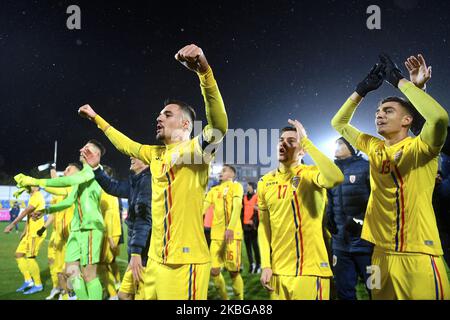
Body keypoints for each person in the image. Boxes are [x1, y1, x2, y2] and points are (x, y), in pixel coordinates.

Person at [78, 44, 227, 300]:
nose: (159, 118)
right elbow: (127, 145)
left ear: (185, 124)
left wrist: (205, 73)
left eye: (167, 114)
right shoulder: (155, 154)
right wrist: (96, 120)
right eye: (159, 114)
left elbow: (219, 125)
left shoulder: (196, 151)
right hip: (156, 259)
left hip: (185, 262)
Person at [331, 53, 450, 299]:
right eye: (378, 111)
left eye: (388, 110)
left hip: (418, 256)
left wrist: (399, 81)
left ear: (407, 120)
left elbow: (438, 118)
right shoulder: (374, 147)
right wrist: (361, 90)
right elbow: (339, 123)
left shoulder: (421, 148)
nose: (379, 114)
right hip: (379, 257)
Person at [258, 120, 344, 300]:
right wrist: (266, 264)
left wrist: (307, 141)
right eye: (281, 140)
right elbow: (264, 227)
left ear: (302, 150)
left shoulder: (310, 173)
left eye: (291, 141)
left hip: (309, 271)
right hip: (278, 272)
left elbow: (335, 178)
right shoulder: (265, 182)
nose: (283, 144)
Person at [14, 140, 106, 300]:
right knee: (71, 272)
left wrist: (37, 181)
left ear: (96, 155)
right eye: (82, 147)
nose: (82, 149)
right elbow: (69, 200)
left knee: (89, 274)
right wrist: (47, 210)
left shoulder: (93, 171)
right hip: (76, 229)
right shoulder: (81, 177)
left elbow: (67, 181)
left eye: (87, 148)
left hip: (90, 227)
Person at [82, 150, 152, 300]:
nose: (131, 156)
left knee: (137, 295)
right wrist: (96, 168)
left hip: (145, 253)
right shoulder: (136, 181)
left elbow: (144, 218)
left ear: (146, 162)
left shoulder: (147, 182)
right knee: (124, 294)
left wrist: (136, 252)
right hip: (137, 251)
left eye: (137, 156)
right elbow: (113, 187)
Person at [326, 137, 373, 300]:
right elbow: (330, 199)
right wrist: (329, 217)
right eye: (336, 143)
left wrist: (361, 223)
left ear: (352, 147)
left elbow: (378, 202)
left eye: (341, 144)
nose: (336, 147)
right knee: (344, 291)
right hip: (340, 244)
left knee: (376, 289)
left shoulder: (367, 167)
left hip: (366, 244)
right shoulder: (331, 170)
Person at [39, 163, 81, 300]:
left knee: (68, 271)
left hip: (71, 237)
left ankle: (71, 294)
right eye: (66, 168)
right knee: (55, 266)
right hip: (57, 234)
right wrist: (44, 227)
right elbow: (55, 210)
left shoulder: (75, 186)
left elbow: (55, 183)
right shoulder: (61, 190)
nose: (66, 170)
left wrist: (51, 170)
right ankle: (59, 289)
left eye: (69, 169)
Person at [203, 165, 244, 300]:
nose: (221, 172)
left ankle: (240, 299)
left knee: (233, 272)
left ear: (232, 174)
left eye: (224, 170)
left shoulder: (236, 187)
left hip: (232, 236)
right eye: (221, 171)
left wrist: (231, 228)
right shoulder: (214, 190)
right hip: (216, 236)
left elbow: (237, 206)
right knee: (214, 271)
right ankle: (225, 299)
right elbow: (203, 208)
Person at [4, 186, 47, 294]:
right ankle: (28, 280)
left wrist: (12, 224)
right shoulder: (33, 196)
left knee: (30, 258)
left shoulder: (38, 196)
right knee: (18, 254)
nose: (28, 186)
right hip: (29, 232)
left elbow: (25, 212)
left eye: (32, 184)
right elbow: (29, 216)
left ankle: (38, 284)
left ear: (37, 187)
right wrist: (24, 231)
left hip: (35, 233)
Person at [242, 181, 261, 274]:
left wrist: (254, 222)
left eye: (249, 186)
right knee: (248, 247)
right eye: (247, 186)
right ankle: (251, 264)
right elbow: (242, 211)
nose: (247, 188)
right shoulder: (244, 197)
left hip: (253, 227)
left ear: (253, 187)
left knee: (255, 246)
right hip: (245, 226)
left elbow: (258, 212)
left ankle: (258, 265)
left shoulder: (257, 197)